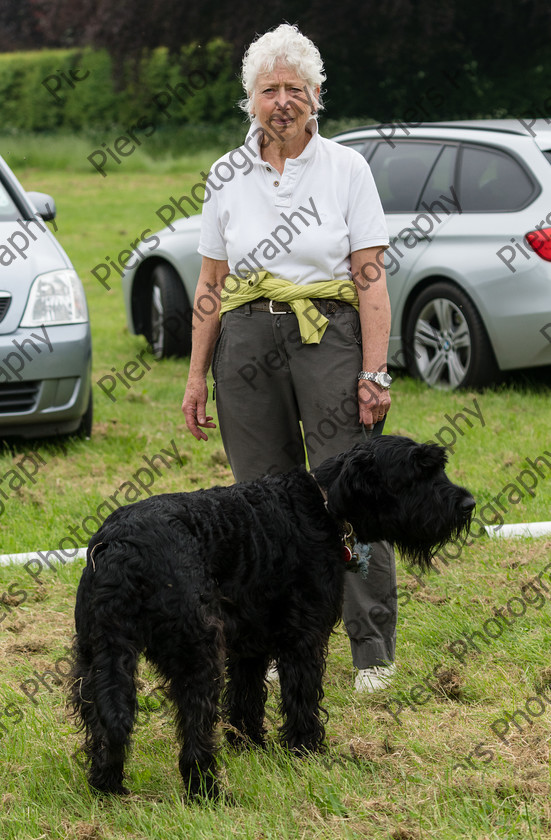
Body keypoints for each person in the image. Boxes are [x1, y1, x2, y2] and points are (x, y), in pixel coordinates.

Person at [182, 23, 396, 692]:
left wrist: (372, 368)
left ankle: (370, 649)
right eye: (268, 89)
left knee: (349, 492)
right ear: (250, 99)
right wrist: (195, 376)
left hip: (326, 335)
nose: (281, 100)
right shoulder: (225, 173)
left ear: (316, 95)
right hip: (245, 341)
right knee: (262, 505)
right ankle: (273, 648)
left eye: (294, 89)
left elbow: (369, 276)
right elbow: (210, 285)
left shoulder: (346, 169)